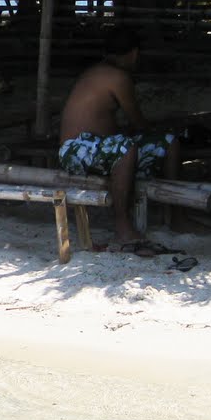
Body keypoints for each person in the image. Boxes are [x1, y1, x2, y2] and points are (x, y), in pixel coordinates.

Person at [58, 25, 181, 255]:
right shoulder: (117, 77)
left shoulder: (100, 71)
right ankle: (122, 224)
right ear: (134, 53)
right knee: (126, 147)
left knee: (168, 142)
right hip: (75, 151)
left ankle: (174, 215)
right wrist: (149, 129)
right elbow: (137, 122)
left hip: (98, 148)